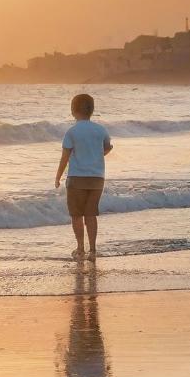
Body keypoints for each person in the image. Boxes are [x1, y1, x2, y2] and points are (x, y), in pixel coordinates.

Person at [55, 93, 113, 261]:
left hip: (76, 178)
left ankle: (80, 248)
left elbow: (65, 157)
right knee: (91, 215)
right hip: (97, 178)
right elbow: (107, 147)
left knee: (76, 215)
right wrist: (96, 155)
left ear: (73, 111)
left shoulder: (71, 132)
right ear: (92, 110)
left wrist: (58, 176)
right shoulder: (100, 130)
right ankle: (93, 250)